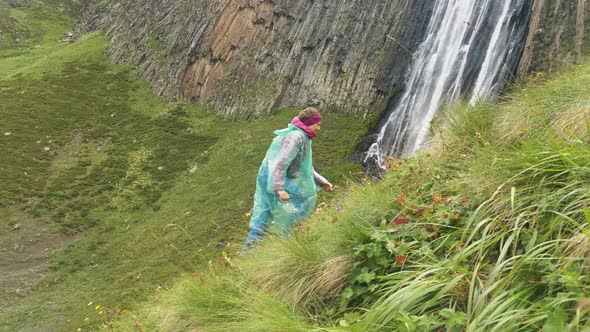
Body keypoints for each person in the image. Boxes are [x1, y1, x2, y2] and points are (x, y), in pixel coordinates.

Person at [241, 107, 333, 252]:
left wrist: (321, 181)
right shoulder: (296, 137)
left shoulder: (304, 137)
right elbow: (280, 163)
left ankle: (249, 251)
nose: (319, 128)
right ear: (310, 123)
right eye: (318, 124)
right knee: (303, 200)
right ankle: (287, 241)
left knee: (266, 213)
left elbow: (306, 166)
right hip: (274, 176)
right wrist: (279, 189)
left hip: (273, 175)